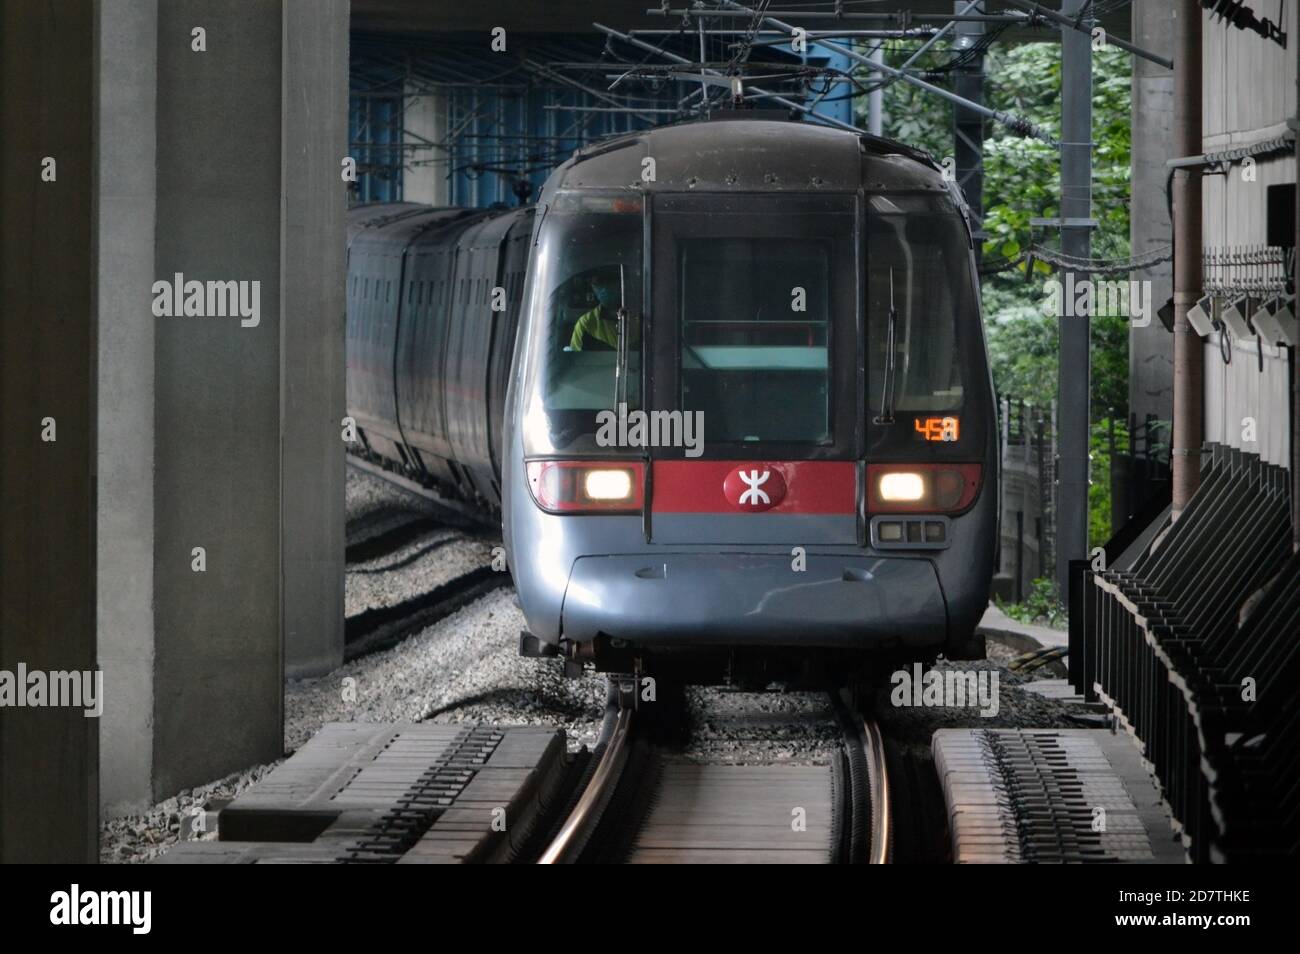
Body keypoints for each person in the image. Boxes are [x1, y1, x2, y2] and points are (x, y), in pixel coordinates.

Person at [569, 268, 635, 351]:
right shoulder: (586, 324)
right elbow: (577, 360)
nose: (605, 288)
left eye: (609, 281)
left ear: (621, 282)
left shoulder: (642, 317)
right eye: (597, 283)